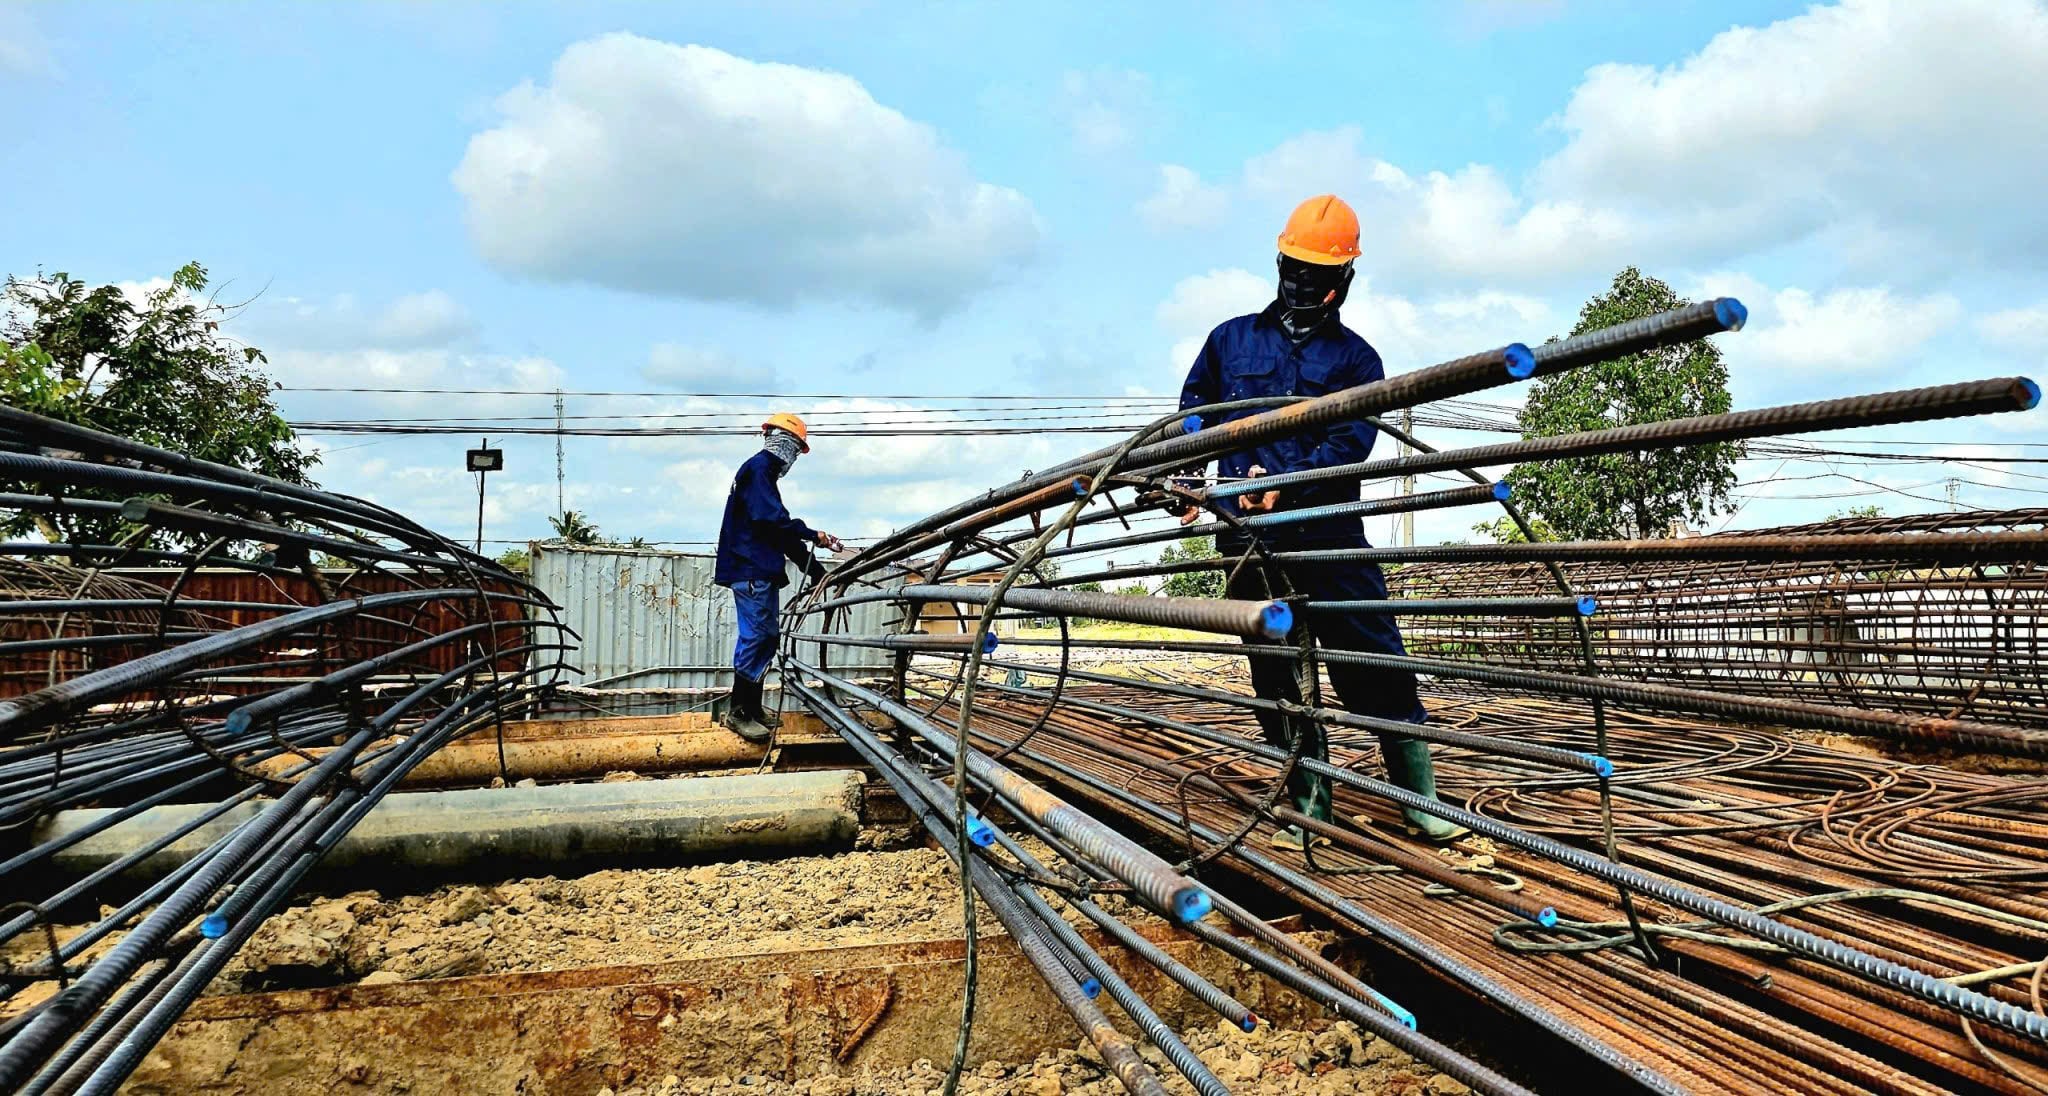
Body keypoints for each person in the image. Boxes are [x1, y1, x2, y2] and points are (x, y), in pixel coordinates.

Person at [1173, 194, 1466, 847]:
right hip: (1247, 538)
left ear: (1343, 281)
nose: (1302, 283)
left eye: (1316, 274)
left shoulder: (1358, 362)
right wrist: (1190, 479)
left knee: (1374, 659)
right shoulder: (1229, 342)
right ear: (1280, 264)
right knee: (1277, 672)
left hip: (1330, 534)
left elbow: (1348, 444)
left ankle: (1419, 801)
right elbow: (1194, 417)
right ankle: (1310, 804)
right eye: (1293, 269)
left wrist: (1286, 483)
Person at [713, 412, 842, 742]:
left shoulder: (763, 477)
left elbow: (778, 532)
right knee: (757, 635)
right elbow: (774, 523)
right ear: (785, 443)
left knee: (766, 635)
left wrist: (814, 570)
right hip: (750, 568)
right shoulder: (759, 471)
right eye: (797, 450)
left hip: (756, 567)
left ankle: (752, 708)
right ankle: (739, 712)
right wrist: (814, 535)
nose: (795, 458)